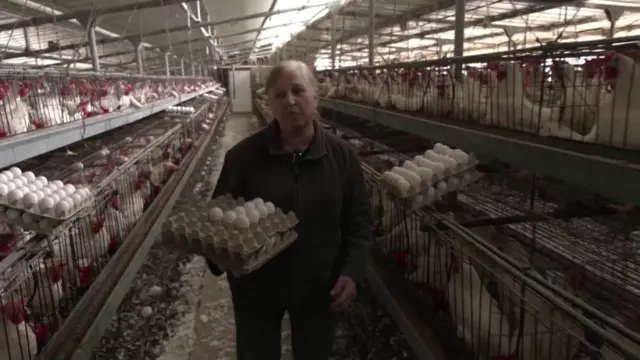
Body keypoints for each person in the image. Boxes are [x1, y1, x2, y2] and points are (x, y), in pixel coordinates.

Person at [207, 60, 373, 360]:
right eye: (280, 95)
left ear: (316, 96)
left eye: (298, 90)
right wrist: (220, 257)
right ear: (269, 103)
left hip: (318, 286)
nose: (290, 101)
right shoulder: (242, 158)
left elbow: (359, 219)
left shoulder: (342, 157)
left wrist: (353, 270)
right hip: (257, 288)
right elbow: (218, 219)